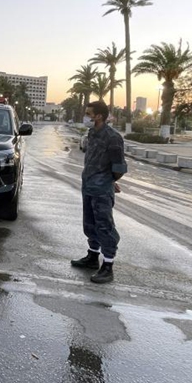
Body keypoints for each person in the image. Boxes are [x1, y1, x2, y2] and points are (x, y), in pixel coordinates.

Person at [71, 101, 126, 283]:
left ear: (99, 116)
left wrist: (109, 182)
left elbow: (119, 167)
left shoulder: (113, 138)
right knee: (90, 223)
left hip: (101, 189)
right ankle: (92, 257)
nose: (86, 116)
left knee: (104, 226)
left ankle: (108, 266)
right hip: (88, 186)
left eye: (88, 113)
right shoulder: (92, 133)